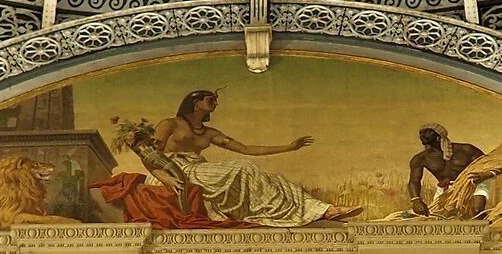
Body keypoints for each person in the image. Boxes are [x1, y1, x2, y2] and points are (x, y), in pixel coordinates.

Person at [137, 91, 361, 226]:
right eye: (210, 100)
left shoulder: (209, 132)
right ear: (195, 102)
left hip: (197, 170)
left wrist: (289, 147)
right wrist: (163, 177)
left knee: (276, 180)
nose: (215, 103)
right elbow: (150, 155)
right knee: (242, 169)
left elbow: (246, 149)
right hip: (175, 172)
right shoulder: (170, 124)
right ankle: (288, 212)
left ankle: (324, 210)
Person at [405, 124, 483, 214]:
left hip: (472, 186)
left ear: (438, 137)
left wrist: (470, 180)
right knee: (440, 216)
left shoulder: (466, 150)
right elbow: (414, 180)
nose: (422, 134)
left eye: (427, 132)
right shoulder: (420, 158)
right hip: (445, 190)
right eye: (421, 132)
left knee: (476, 212)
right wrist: (416, 200)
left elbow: (488, 165)